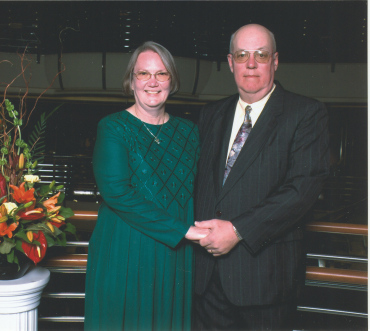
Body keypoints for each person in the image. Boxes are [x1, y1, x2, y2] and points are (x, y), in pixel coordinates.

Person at [192, 24, 330, 330]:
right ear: (230, 62)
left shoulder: (306, 113)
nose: (251, 63)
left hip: (265, 282)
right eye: (242, 55)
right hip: (205, 283)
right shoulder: (211, 114)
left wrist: (238, 230)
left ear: (275, 61)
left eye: (261, 54)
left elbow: (302, 190)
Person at [84, 41, 208, 331]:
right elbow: (117, 193)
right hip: (125, 250)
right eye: (143, 74)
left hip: (175, 256)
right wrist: (185, 230)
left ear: (172, 81)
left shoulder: (189, 131)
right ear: (131, 81)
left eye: (162, 74)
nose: (152, 82)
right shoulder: (113, 127)